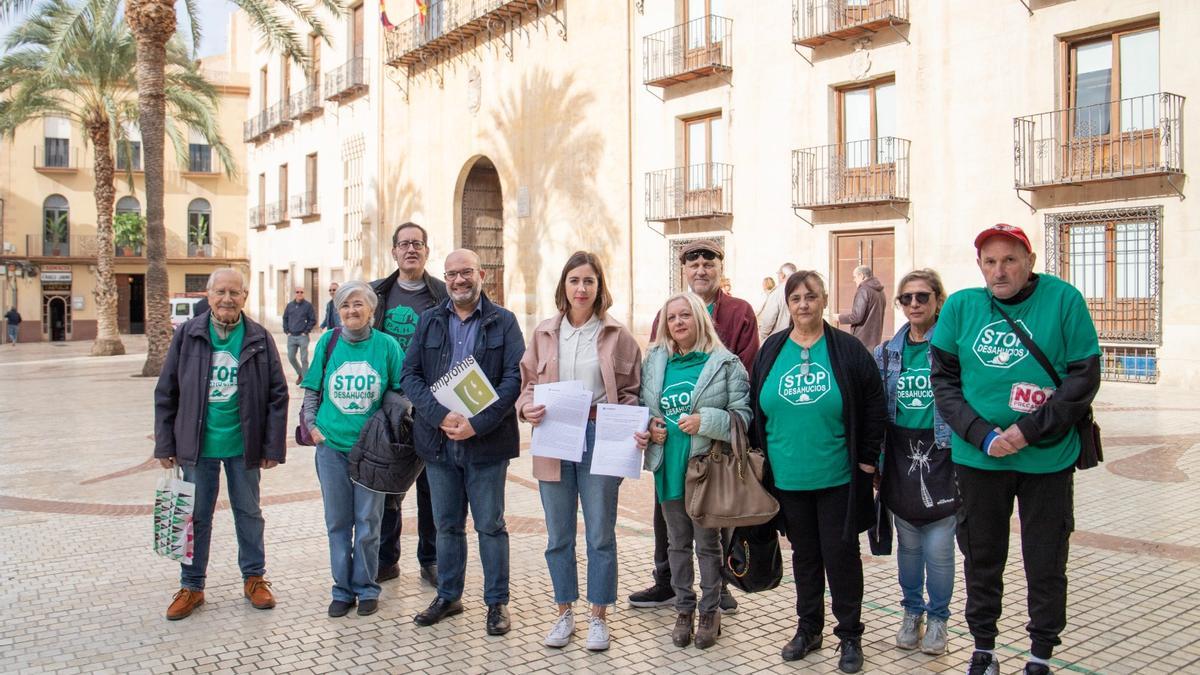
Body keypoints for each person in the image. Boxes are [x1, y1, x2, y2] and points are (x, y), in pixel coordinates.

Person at [931, 224, 1100, 675]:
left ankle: (1040, 653)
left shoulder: (1064, 301)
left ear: (1029, 262)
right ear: (980, 266)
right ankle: (983, 647)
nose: (999, 270)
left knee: (1045, 559)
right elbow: (944, 385)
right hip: (979, 458)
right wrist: (983, 434)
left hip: (1047, 458)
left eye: (1009, 260)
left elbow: (1083, 379)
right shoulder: (962, 308)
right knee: (982, 557)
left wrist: (1027, 431)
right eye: (990, 261)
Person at [749, 270, 886, 673]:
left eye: (811, 296)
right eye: (796, 298)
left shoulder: (846, 349)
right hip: (788, 480)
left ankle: (850, 636)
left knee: (842, 558)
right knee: (805, 558)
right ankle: (808, 629)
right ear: (787, 305)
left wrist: (866, 460)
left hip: (838, 478)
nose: (803, 304)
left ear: (824, 300)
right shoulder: (772, 350)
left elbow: (874, 403)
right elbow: (759, 407)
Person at [517, 251, 646, 651]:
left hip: (599, 438)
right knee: (558, 534)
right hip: (554, 437)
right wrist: (527, 408)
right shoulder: (543, 333)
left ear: (599, 287)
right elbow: (524, 387)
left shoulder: (616, 335)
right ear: (564, 286)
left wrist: (630, 423)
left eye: (589, 281)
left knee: (601, 533)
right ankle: (563, 613)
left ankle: (598, 616)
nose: (581, 288)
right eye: (574, 280)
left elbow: (631, 391)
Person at [630, 238, 759, 612]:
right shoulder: (666, 315)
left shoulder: (739, 312)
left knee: (717, 522)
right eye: (693, 264)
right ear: (684, 270)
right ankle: (667, 582)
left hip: (713, 448)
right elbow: (651, 385)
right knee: (671, 525)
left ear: (720, 268)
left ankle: (718, 589)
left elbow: (745, 372)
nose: (701, 269)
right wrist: (652, 423)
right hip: (670, 451)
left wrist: (714, 415)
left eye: (709, 263)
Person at [401, 249, 525, 636]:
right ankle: (449, 595)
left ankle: (496, 603)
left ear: (481, 274)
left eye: (466, 272)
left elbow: (513, 380)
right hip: (439, 444)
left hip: (486, 444)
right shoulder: (430, 321)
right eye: (452, 274)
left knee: (490, 525)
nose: (459, 280)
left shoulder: (503, 322)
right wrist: (440, 416)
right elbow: (410, 376)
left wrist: (477, 423)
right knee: (447, 525)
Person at [152, 268, 288, 621]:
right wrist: (165, 443)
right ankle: (192, 586)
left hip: (244, 444)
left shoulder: (258, 336)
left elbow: (277, 394)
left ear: (245, 297)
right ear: (209, 295)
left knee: (249, 513)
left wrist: (272, 446)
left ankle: (255, 578)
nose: (228, 299)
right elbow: (167, 391)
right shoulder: (188, 334)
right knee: (195, 517)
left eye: (235, 292)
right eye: (221, 292)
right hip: (197, 445)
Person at [642, 291, 750, 650]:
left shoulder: (725, 363)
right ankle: (684, 609)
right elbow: (645, 405)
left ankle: (710, 611)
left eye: (684, 315)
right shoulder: (656, 360)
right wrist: (651, 425)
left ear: (699, 319)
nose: (678, 323)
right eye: (671, 318)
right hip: (667, 466)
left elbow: (743, 416)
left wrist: (707, 421)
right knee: (676, 543)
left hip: (705, 468)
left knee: (707, 544)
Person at [301, 280, 406, 618]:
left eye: (358, 304)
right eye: (345, 305)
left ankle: (366, 587)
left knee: (368, 521)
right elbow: (312, 390)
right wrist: (313, 428)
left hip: (372, 452)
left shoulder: (388, 346)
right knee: (337, 522)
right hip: (331, 448)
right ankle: (342, 590)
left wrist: (385, 429)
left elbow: (401, 393)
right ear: (338, 310)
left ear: (372, 310)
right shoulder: (328, 343)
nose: (351, 311)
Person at [874, 269, 956, 655]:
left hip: (942, 453)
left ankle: (939, 619)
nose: (914, 305)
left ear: (938, 300)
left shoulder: (953, 346)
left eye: (922, 297)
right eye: (906, 299)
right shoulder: (888, 351)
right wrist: (873, 460)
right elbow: (876, 409)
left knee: (939, 549)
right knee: (908, 547)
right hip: (901, 455)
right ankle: (912, 612)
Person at [371, 223, 447, 587]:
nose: (411, 249)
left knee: (431, 486)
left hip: (430, 404)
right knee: (389, 485)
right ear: (394, 252)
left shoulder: (443, 295)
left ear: (426, 251)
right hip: (388, 405)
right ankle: (387, 559)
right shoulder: (377, 294)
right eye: (404, 244)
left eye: (418, 243)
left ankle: (430, 559)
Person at [836, 265, 886, 351]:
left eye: (855, 277)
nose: (854, 280)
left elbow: (856, 317)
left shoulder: (864, 290)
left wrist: (838, 317)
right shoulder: (880, 291)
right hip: (875, 340)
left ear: (862, 276)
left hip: (862, 340)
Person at [282, 288, 317, 383]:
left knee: (304, 358)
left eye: (301, 292)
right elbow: (285, 318)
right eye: (297, 292)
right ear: (295, 293)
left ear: (304, 293)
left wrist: (306, 331)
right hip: (291, 337)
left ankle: (305, 380)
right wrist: (286, 331)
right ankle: (300, 373)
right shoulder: (289, 306)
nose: (299, 293)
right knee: (291, 357)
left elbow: (313, 320)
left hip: (303, 337)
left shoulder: (308, 306)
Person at [758, 262, 798, 342]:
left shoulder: (778, 292)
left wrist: (762, 337)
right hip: (797, 339)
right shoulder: (800, 289)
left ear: (782, 275)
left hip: (778, 340)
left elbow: (768, 320)